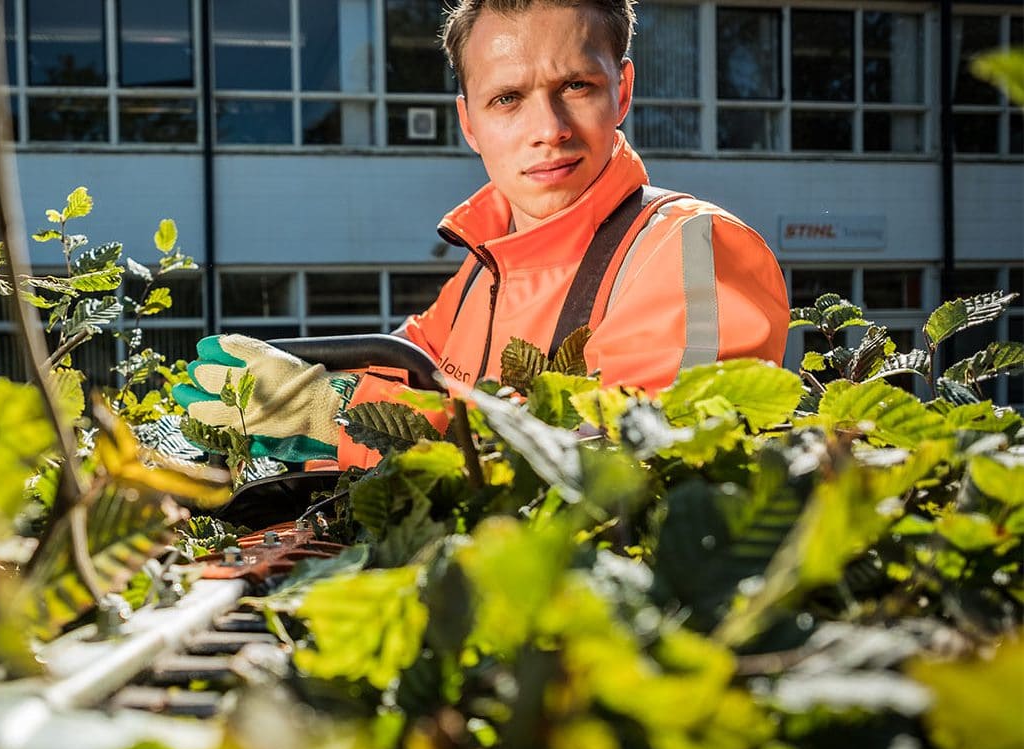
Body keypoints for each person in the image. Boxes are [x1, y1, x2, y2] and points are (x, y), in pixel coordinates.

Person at [174, 0, 789, 470]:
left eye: (575, 86)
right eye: (508, 99)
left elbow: (625, 459)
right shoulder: (481, 275)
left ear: (621, 90)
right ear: (469, 121)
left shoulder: (693, 250)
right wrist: (295, 397)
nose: (548, 129)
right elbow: (389, 380)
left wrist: (331, 416)